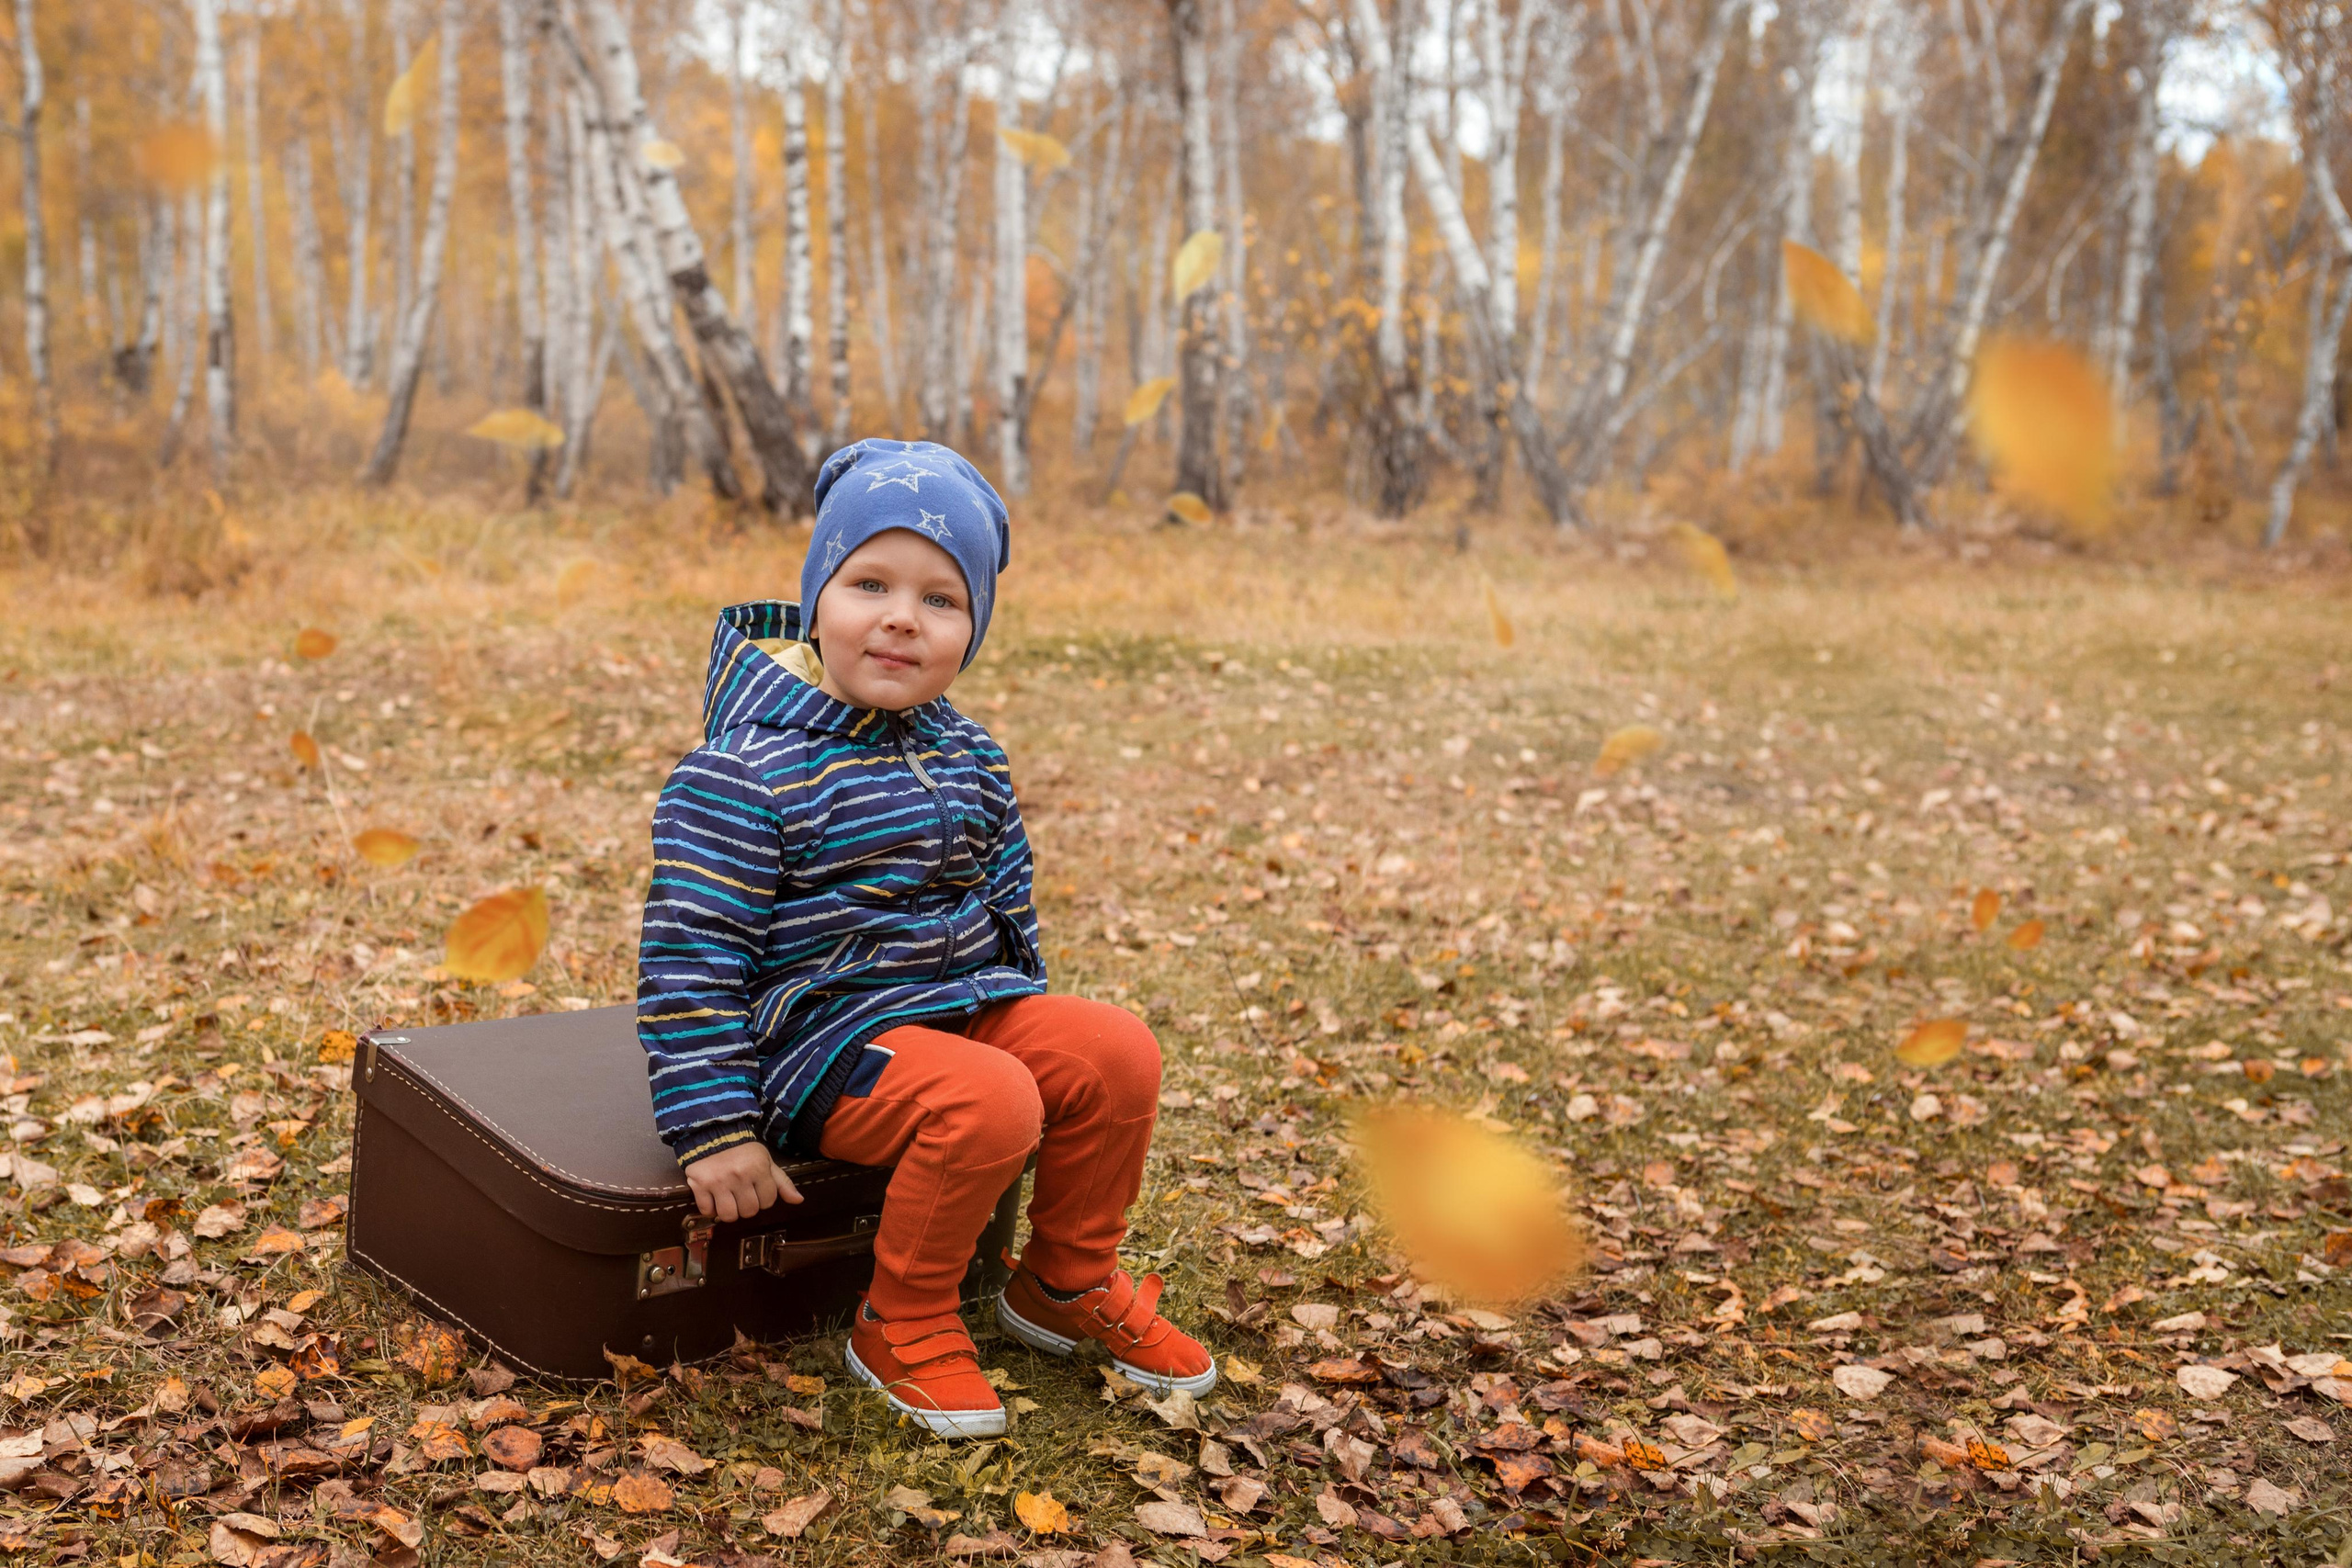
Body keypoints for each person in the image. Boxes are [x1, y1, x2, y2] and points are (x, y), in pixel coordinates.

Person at [634, 438, 1214, 1438]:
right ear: (818, 596)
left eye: (941, 600)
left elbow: (1006, 903)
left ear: (972, 630)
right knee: (988, 1097)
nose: (902, 616)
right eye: (869, 583)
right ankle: (898, 1322)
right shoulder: (740, 774)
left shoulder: (968, 751)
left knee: (1112, 1050)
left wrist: (1034, 1022)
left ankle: (1061, 1286)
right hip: (812, 1047)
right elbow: (690, 955)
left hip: (949, 1010)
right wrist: (714, 1125)